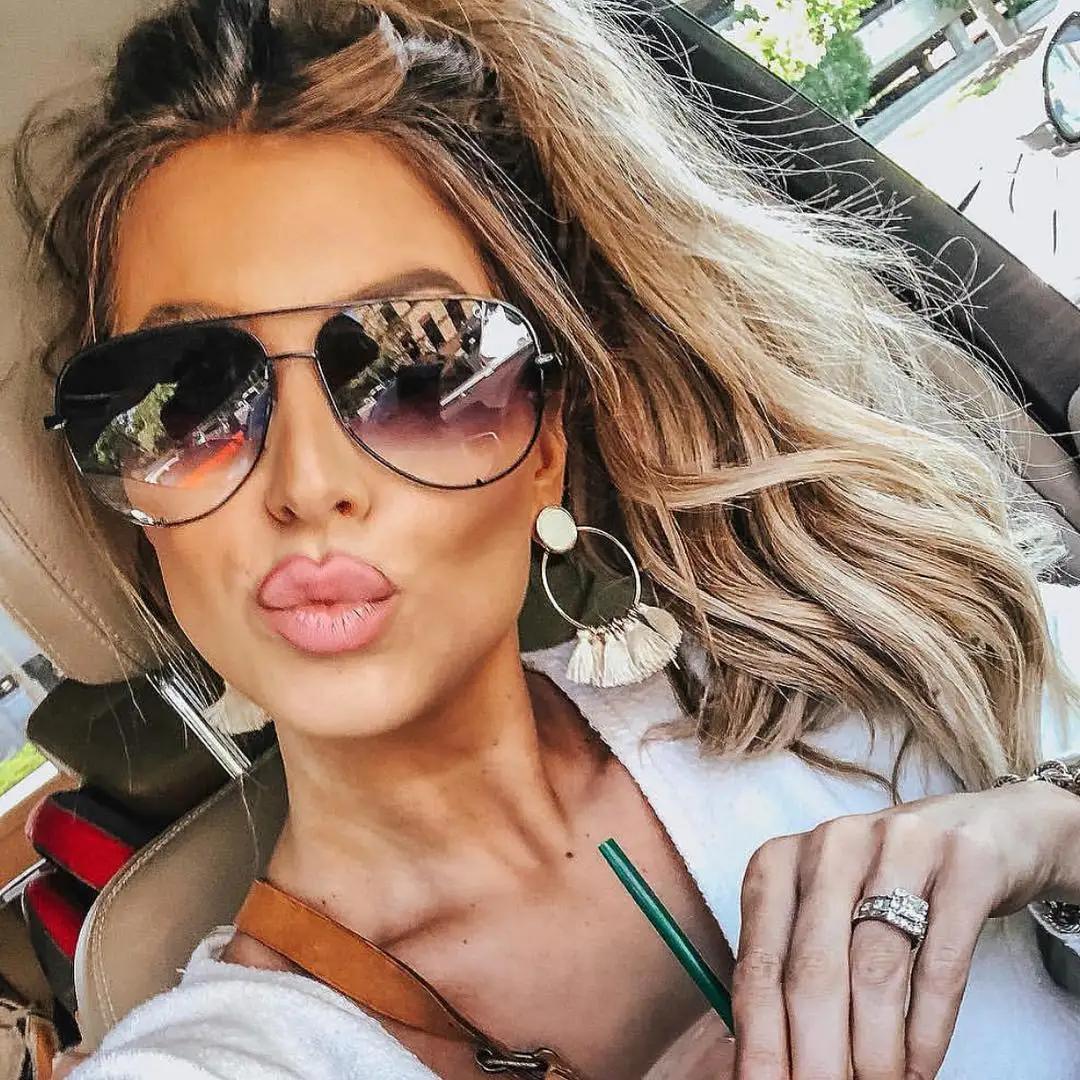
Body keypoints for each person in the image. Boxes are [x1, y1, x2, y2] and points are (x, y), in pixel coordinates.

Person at [11, 0, 1080, 1076]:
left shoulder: (817, 662)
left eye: (418, 369)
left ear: (546, 444)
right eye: (187, 401)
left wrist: (1048, 833)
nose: (307, 484)